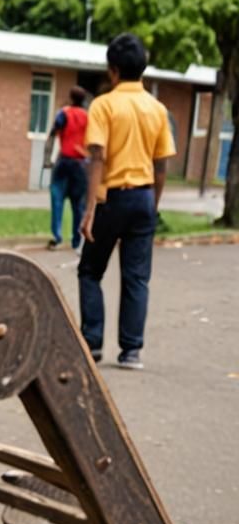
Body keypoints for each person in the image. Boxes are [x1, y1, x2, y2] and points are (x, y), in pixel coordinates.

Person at [78, 33, 174, 371]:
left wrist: (90, 209)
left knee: (90, 270)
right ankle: (131, 350)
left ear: (113, 70)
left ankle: (92, 342)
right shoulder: (157, 109)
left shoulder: (103, 105)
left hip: (111, 199)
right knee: (136, 277)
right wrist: (153, 204)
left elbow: (98, 157)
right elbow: (161, 164)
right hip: (144, 196)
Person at [43, 87, 89, 251]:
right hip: (81, 163)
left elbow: (52, 134)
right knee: (78, 204)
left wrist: (47, 159)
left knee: (57, 198)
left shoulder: (64, 113)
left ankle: (57, 237)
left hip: (64, 160)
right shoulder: (87, 116)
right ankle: (77, 240)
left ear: (70, 98)